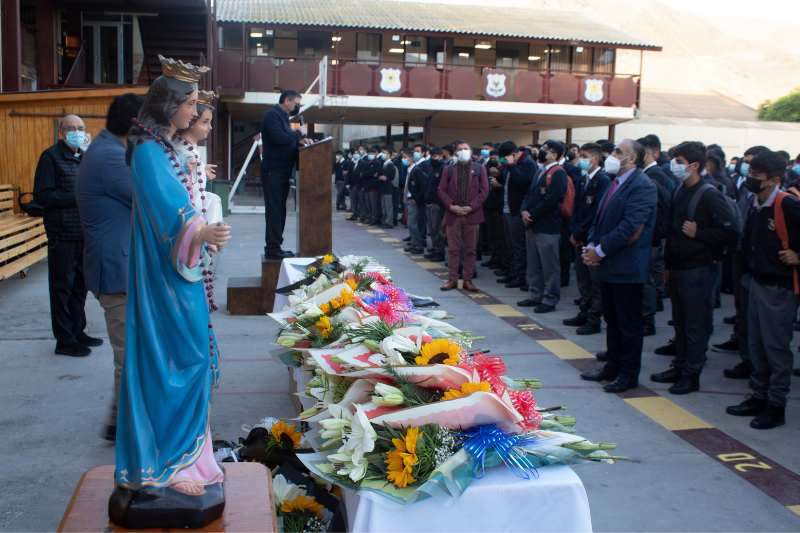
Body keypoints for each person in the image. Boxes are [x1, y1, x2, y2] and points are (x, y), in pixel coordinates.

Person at [117, 56, 231, 497]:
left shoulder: (162, 149)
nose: (192, 113)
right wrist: (200, 230)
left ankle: (190, 454)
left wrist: (203, 230)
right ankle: (164, 462)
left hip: (179, 274)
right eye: (189, 104)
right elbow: (169, 213)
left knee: (191, 360)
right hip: (164, 280)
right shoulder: (147, 153)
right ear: (168, 106)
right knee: (177, 363)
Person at [76, 93, 144, 440]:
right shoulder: (111, 157)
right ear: (135, 128)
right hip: (115, 269)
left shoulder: (108, 150)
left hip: (117, 264)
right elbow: (147, 198)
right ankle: (121, 426)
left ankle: (120, 421)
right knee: (128, 353)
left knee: (130, 350)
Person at [650, 142, 740, 395]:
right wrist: (667, 265)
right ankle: (680, 365)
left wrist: (701, 233)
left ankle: (691, 373)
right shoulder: (680, 189)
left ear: (695, 165)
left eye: (678, 161)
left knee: (696, 324)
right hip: (678, 267)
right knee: (679, 322)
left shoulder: (709, 194)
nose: (673, 166)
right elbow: (672, 231)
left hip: (699, 269)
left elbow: (731, 231)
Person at [726, 151, 800, 429]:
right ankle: (759, 395)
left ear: (775, 180)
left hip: (779, 287)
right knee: (755, 344)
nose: (750, 179)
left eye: (756, 176)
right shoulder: (757, 203)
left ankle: (775, 405)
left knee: (775, 348)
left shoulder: (786, 204)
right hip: (756, 282)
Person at [580, 139, 658, 393]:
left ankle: (628, 373)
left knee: (629, 323)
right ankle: (612, 366)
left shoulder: (643, 186)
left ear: (632, 159)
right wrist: (592, 244)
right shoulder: (614, 182)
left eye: (617, 152)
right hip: (609, 264)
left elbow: (630, 227)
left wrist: (599, 251)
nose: (611, 155)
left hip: (627, 266)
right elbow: (599, 218)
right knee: (612, 319)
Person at [33, 113, 102, 358]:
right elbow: (42, 196)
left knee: (79, 288)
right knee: (62, 288)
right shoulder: (50, 157)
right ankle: (64, 340)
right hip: (62, 234)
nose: (76, 131)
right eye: (70, 128)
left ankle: (77, 331)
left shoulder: (84, 158)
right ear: (61, 132)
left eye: (80, 127)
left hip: (83, 234)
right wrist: (78, 196)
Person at [564, 142, 610, 335]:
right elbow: (576, 209)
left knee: (594, 283)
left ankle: (593, 319)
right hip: (579, 237)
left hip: (591, 239)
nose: (580, 159)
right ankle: (584, 311)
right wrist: (574, 232)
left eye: (584, 156)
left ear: (595, 158)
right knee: (582, 278)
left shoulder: (603, 180)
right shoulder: (583, 180)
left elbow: (596, 213)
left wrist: (582, 233)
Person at [260, 89, 311, 259]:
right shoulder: (272, 115)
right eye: (297, 104)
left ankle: (276, 246)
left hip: (281, 172)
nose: (298, 107)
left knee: (280, 210)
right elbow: (278, 138)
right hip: (273, 171)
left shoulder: (283, 118)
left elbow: (286, 140)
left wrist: (299, 141)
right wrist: (299, 133)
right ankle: (273, 249)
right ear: (287, 100)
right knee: (275, 210)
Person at [517, 140, 568, 313]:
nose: (542, 151)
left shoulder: (558, 173)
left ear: (554, 155)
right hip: (532, 225)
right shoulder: (540, 171)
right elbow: (529, 195)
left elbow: (551, 200)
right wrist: (524, 210)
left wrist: (531, 216)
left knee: (550, 266)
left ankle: (550, 299)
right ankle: (535, 295)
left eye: (546, 150)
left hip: (547, 226)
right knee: (534, 264)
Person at [438, 141, 488, 292]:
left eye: (466, 149)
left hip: (471, 215)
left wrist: (471, 207)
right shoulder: (449, 169)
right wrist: (451, 206)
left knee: (471, 249)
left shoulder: (480, 169)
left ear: (471, 152)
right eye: (460, 149)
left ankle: (467, 279)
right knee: (453, 249)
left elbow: (484, 191)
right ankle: (452, 279)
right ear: (455, 153)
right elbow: (441, 191)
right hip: (453, 214)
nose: (463, 151)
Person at [174, 91, 222, 224]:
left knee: (214, 199)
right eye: (204, 123)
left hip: (196, 204)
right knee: (214, 199)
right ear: (192, 122)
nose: (210, 128)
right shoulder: (183, 150)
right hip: (189, 209)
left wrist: (201, 167)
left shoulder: (191, 148)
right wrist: (190, 165)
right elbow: (184, 162)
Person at [496, 141, 534, 289]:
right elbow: (506, 180)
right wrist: (498, 174)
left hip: (517, 210)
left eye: (505, 159)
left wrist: (511, 165)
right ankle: (512, 271)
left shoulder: (527, 163)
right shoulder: (510, 164)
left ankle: (520, 275)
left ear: (512, 155)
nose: (504, 162)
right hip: (506, 208)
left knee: (518, 246)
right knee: (510, 244)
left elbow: (521, 181)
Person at [481, 150, 507, 270]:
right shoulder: (486, 170)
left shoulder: (503, 170)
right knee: (490, 235)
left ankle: (499, 259)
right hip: (487, 206)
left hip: (498, 207)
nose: (493, 161)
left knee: (499, 236)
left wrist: (498, 182)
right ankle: (494, 258)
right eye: (491, 158)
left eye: (495, 159)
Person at [404, 144, 429, 253]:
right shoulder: (410, 170)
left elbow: (423, 187)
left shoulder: (417, 170)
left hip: (414, 200)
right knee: (410, 224)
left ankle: (418, 246)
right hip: (408, 200)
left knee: (412, 224)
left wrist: (417, 200)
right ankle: (414, 243)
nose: (403, 159)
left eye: (405, 157)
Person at [424, 147, 447, 262]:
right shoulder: (432, 168)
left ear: (441, 156)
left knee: (437, 228)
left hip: (436, 204)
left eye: (435, 156)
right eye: (431, 156)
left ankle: (440, 251)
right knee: (432, 229)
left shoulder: (443, 168)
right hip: (429, 202)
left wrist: (439, 202)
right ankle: (434, 248)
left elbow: (442, 188)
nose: (432, 159)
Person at [378, 145, 397, 229]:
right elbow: (379, 175)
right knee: (384, 206)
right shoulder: (383, 164)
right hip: (383, 188)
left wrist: (380, 176)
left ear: (389, 155)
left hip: (388, 189)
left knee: (388, 206)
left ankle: (389, 222)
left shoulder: (390, 165)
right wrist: (380, 177)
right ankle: (384, 221)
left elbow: (385, 177)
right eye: (382, 153)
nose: (383, 154)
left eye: (384, 153)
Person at [363, 146, 382, 226]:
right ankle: (369, 217)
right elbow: (364, 172)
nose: (370, 155)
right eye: (369, 154)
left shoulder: (376, 162)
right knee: (368, 204)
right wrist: (366, 174)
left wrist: (365, 174)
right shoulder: (366, 162)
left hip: (374, 186)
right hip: (367, 186)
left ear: (375, 154)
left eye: (372, 153)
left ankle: (374, 218)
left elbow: (371, 172)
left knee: (373, 204)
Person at [347, 147, 366, 221]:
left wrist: (363, 186)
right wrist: (347, 184)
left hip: (360, 185)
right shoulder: (351, 163)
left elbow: (363, 176)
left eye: (357, 153)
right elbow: (349, 174)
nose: (356, 155)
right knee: (353, 201)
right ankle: (354, 214)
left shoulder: (363, 163)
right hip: (352, 185)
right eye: (354, 153)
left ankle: (362, 216)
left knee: (362, 202)